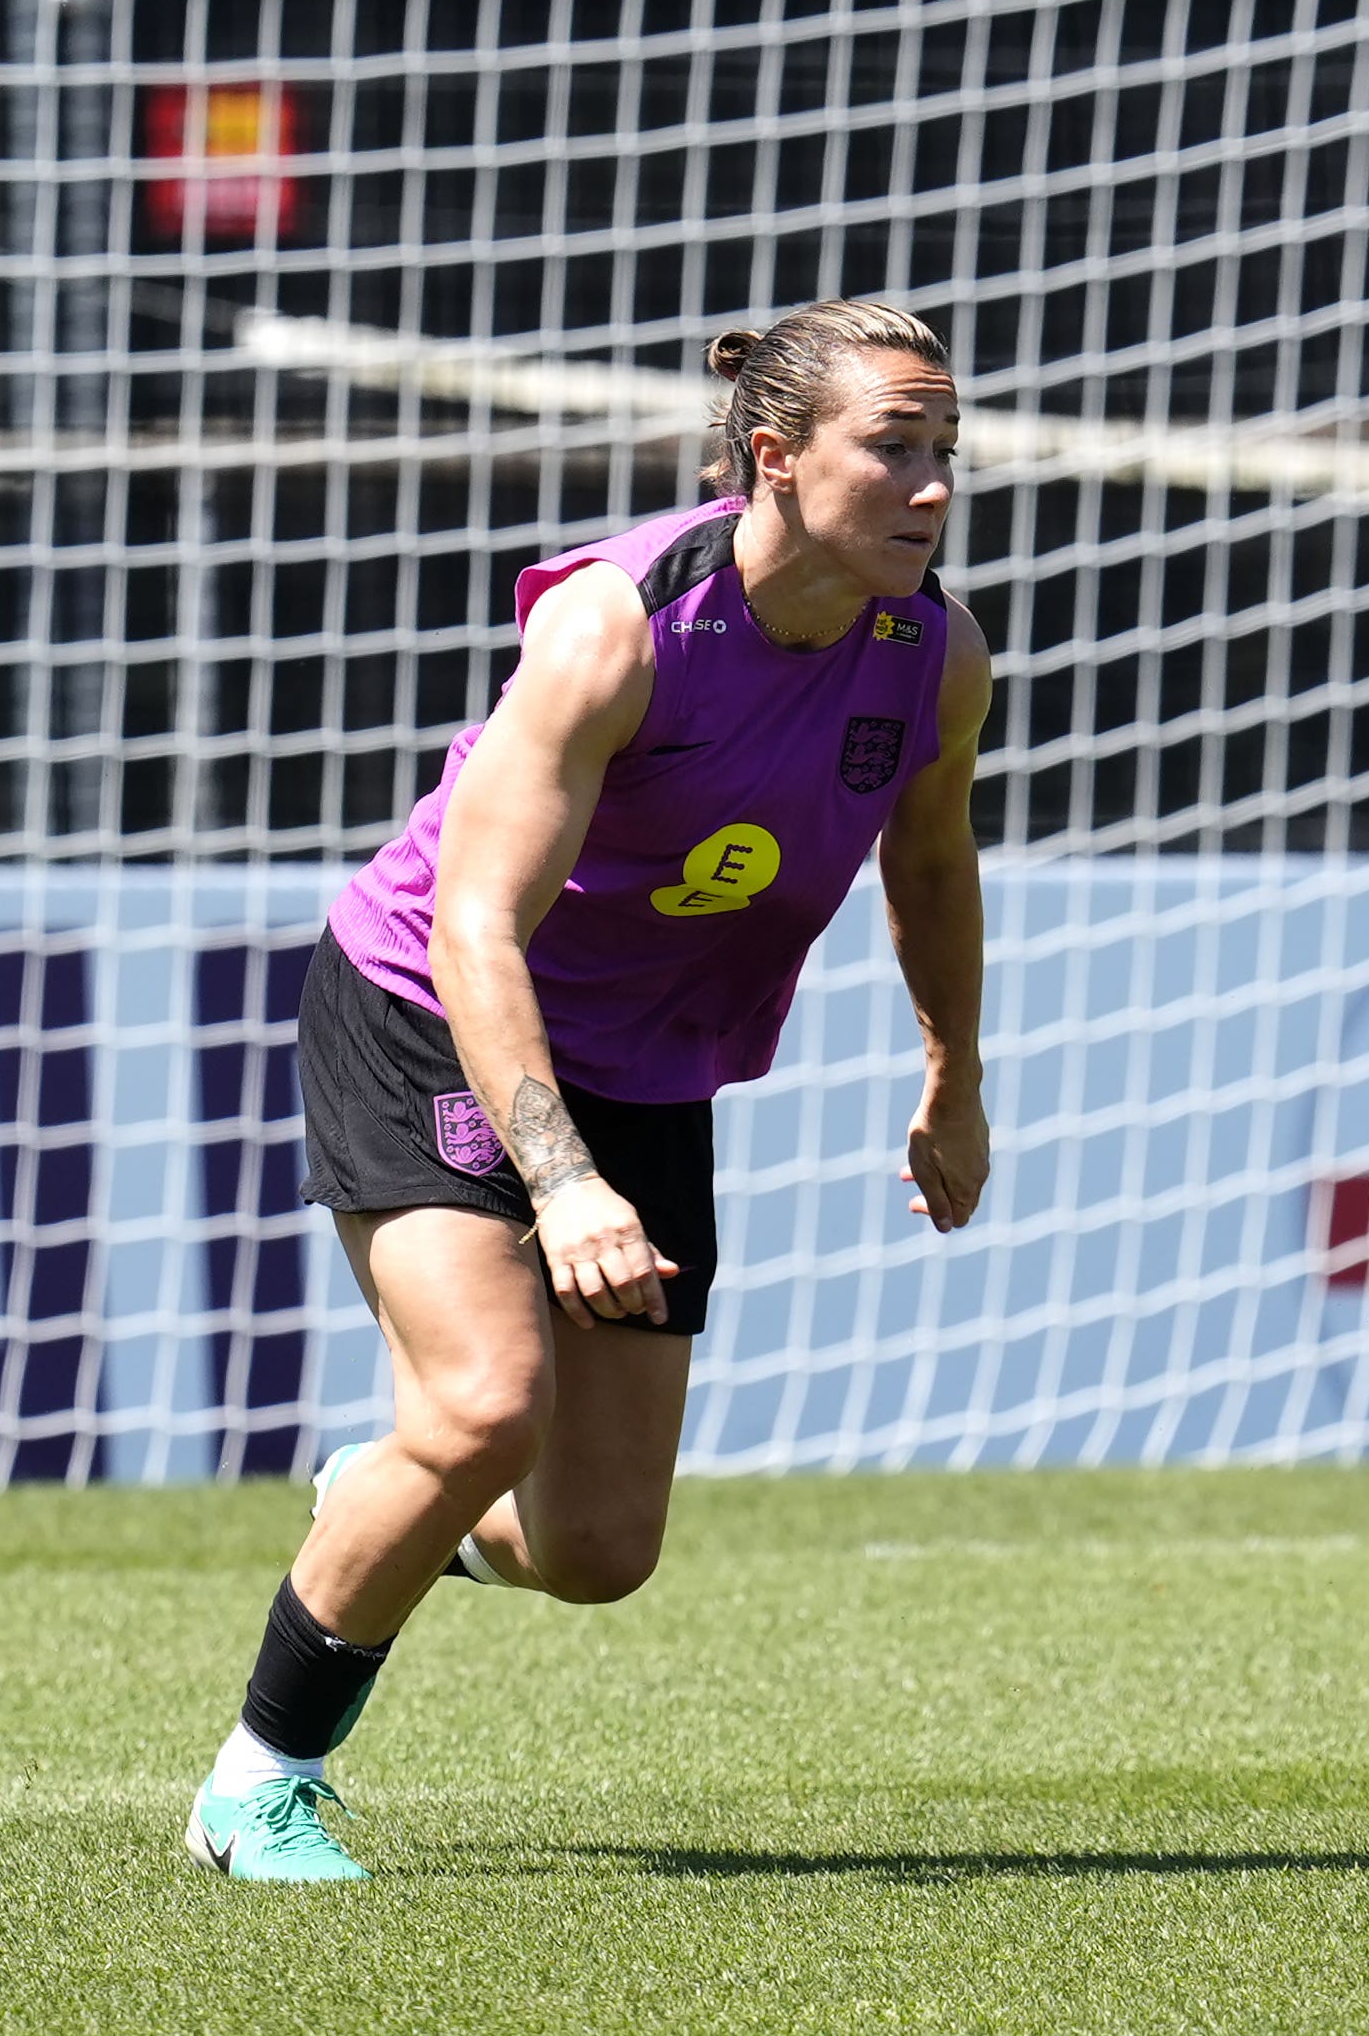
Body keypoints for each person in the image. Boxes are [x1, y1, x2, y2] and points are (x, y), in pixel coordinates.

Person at [185, 299, 993, 1882]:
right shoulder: (617, 631)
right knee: (488, 1402)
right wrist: (560, 1183)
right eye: (892, 450)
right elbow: (475, 923)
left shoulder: (933, 657)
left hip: (642, 1060)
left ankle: (389, 1493)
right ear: (772, 457)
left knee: (600, 1552)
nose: (934, 490)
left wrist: (952, 1080)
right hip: (432, 1008)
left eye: (944, 453)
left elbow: (932, 860)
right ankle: (256, 1784)